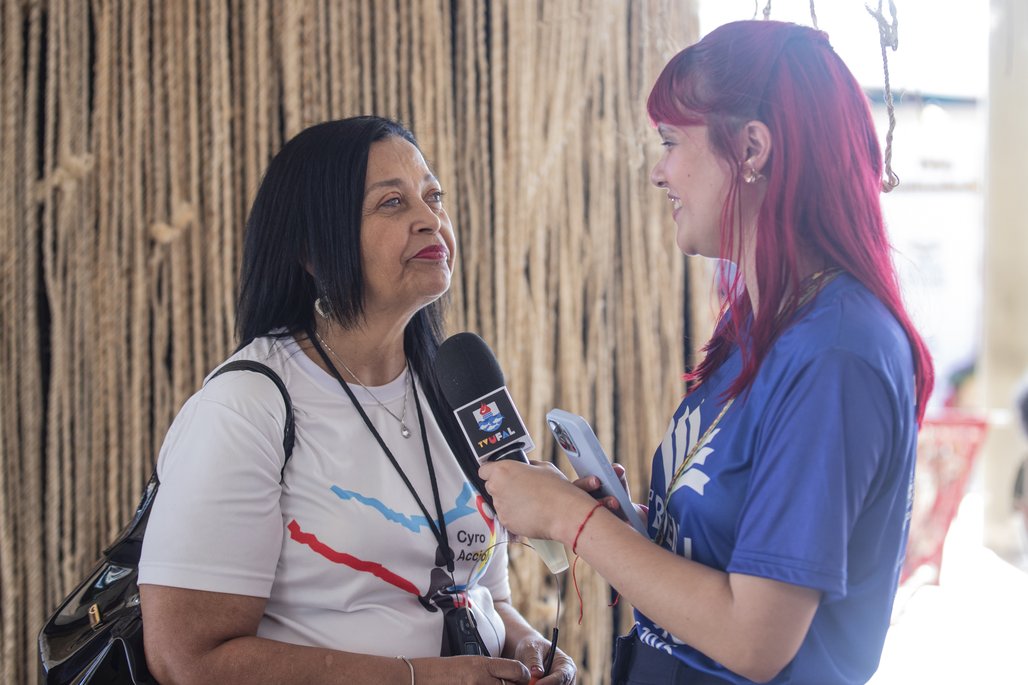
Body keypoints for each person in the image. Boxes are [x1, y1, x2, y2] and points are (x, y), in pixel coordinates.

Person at [479, 20, 933, 685]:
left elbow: (754, 637)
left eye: (671, 141)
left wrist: (570, 519)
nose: (659, 172)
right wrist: (629, 529)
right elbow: (726, 561)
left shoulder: (837, 355)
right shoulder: (763, 322)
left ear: (751, 148)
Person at [139, 116, 574, 685]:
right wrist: (420, 678)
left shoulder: (453, 391)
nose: (429, 219)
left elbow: (478, 593)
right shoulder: (246, 407)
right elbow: (187, 660)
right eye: (392, 203)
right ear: (314, 252)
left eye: (433, 195)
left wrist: (528, 645)